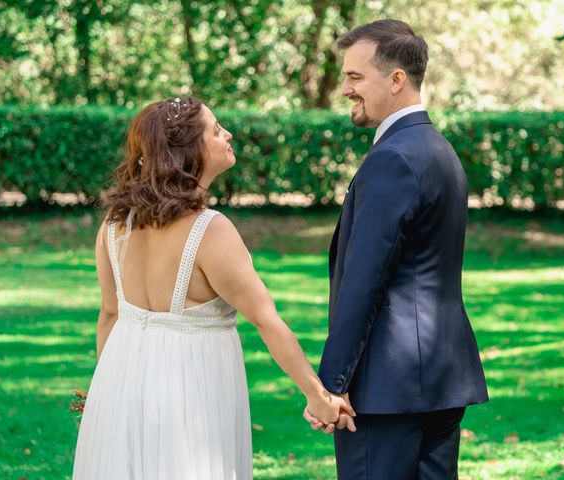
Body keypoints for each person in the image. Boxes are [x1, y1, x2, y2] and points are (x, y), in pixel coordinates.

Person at [72, 97, 353, 479]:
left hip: (121, 378)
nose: (228, 134)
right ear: (190, 152)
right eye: (217, 129)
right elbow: (266, 321)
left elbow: (109, 313)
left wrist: (108, 388)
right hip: (190, 388)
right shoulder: (211, 230)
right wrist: (318, 397)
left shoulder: (115, 225)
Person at [304, 19, 489, 479]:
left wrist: (331, 385)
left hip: (387, 387)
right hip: (440, 379)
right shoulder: (440, 151)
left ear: (396, 79)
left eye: (355, 77)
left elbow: (364, 280)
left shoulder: (392, 158)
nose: (346, 89)